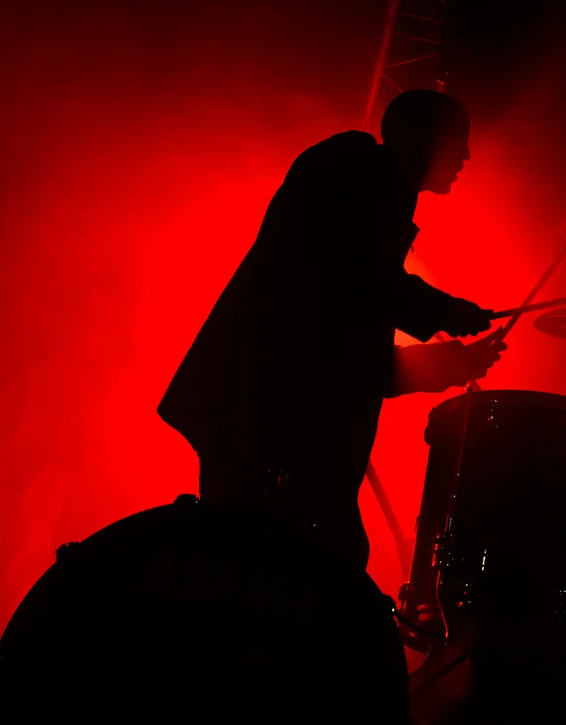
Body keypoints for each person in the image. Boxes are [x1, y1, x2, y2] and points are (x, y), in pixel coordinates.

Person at [158, 90, 502, 569]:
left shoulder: (356, 185)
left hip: (254, 419)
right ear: (422, 137)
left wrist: (450, 360)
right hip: (266, 424)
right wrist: (446, 313)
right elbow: (359, 291)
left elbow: (348, 354)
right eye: (456, 140)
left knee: (271, 564)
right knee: (307, 567)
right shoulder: (357, 171)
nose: (465, 156)